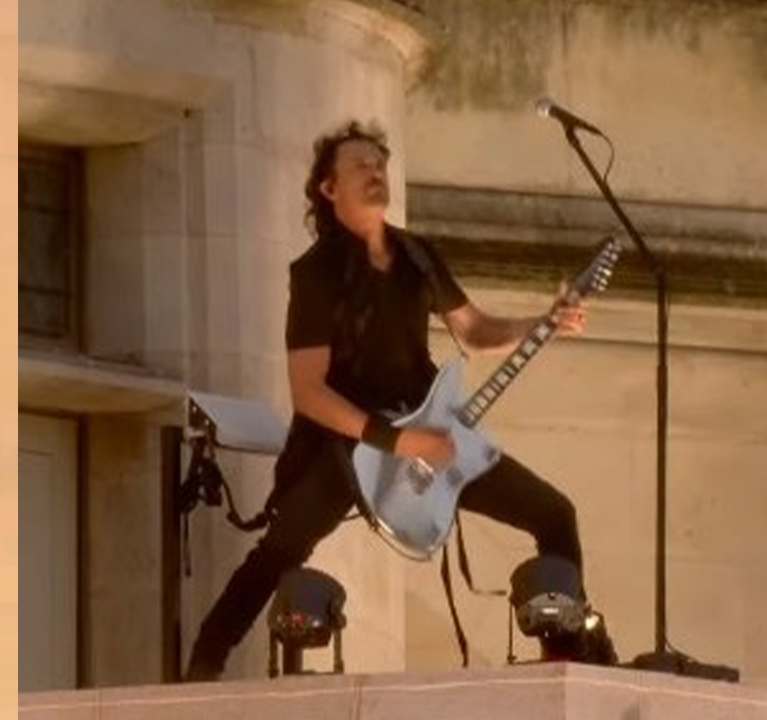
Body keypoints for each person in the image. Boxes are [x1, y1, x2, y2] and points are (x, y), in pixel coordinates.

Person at [186, 120, 614, 682]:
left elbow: (477, 330)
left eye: (380, 164)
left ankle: (568, 660)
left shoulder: (417, 256)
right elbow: (309, 392)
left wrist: (545, 322)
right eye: (360, 166)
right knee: (282, 548)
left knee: (554, 514)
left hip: (428, 428)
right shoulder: (315, 274)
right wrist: (395, 439)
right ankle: (204, 663)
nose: (375, 173)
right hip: (345, 443)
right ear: (328, 189)